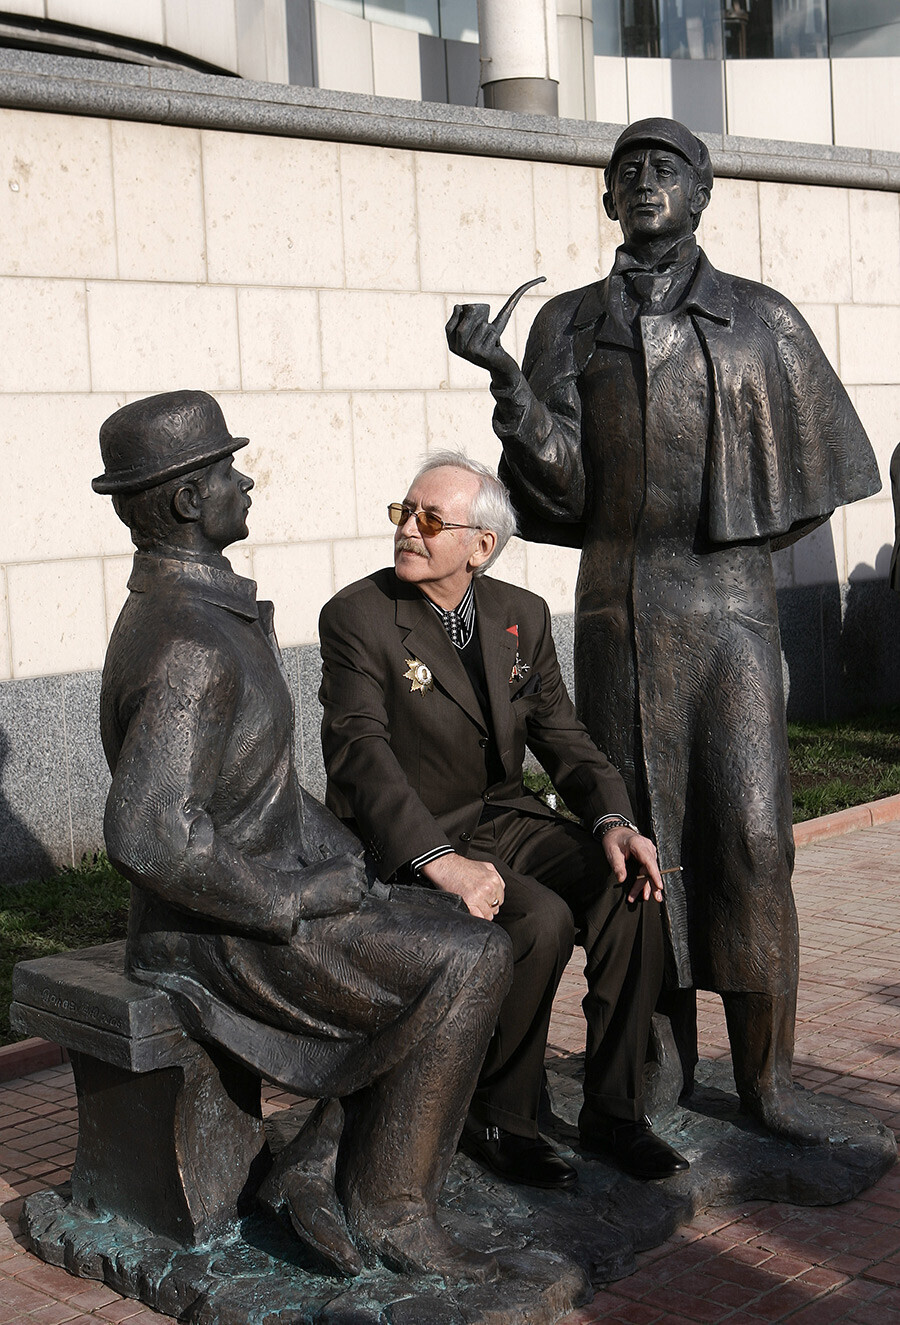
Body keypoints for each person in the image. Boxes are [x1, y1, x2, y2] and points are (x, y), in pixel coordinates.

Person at [445, 118, 881, 1144]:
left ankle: (768, 1079)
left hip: (729, 609)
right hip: (618, 614)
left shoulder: (759, 321)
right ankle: (655, 1068)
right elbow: (565, 486)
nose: (645, 182)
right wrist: (509, 385)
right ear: (606, 200)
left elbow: (813, 481)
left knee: (755, 835)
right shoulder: (568, 323)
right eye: (627, 170)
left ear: (703, 192)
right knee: (633, 847)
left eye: (666, 168)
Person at [94, 391, 514, 1285]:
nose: (243, 482)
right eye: (225, 472)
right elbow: (149, 837)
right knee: (471, 959)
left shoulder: (214, 616)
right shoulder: (189, 642)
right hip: (216, 932)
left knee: (434, 931)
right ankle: (391, 1205)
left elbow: (261, 790)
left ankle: (315, 1166)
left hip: (254, 892)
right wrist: (291, 898)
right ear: (184, 502)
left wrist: (340, 858)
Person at [319, 451, 688, 1187]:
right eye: (404, 512)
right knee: (540, 919)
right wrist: (438, 860)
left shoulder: (521, 615)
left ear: (480, 546)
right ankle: (499, 1117)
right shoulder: (358, 616)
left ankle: (616, 1112)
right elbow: (360, 753)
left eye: (430, 519)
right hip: (419, 835)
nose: (408, 531)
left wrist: (615, 820)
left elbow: (565, 738)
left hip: (506, 815)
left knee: (629, 883)